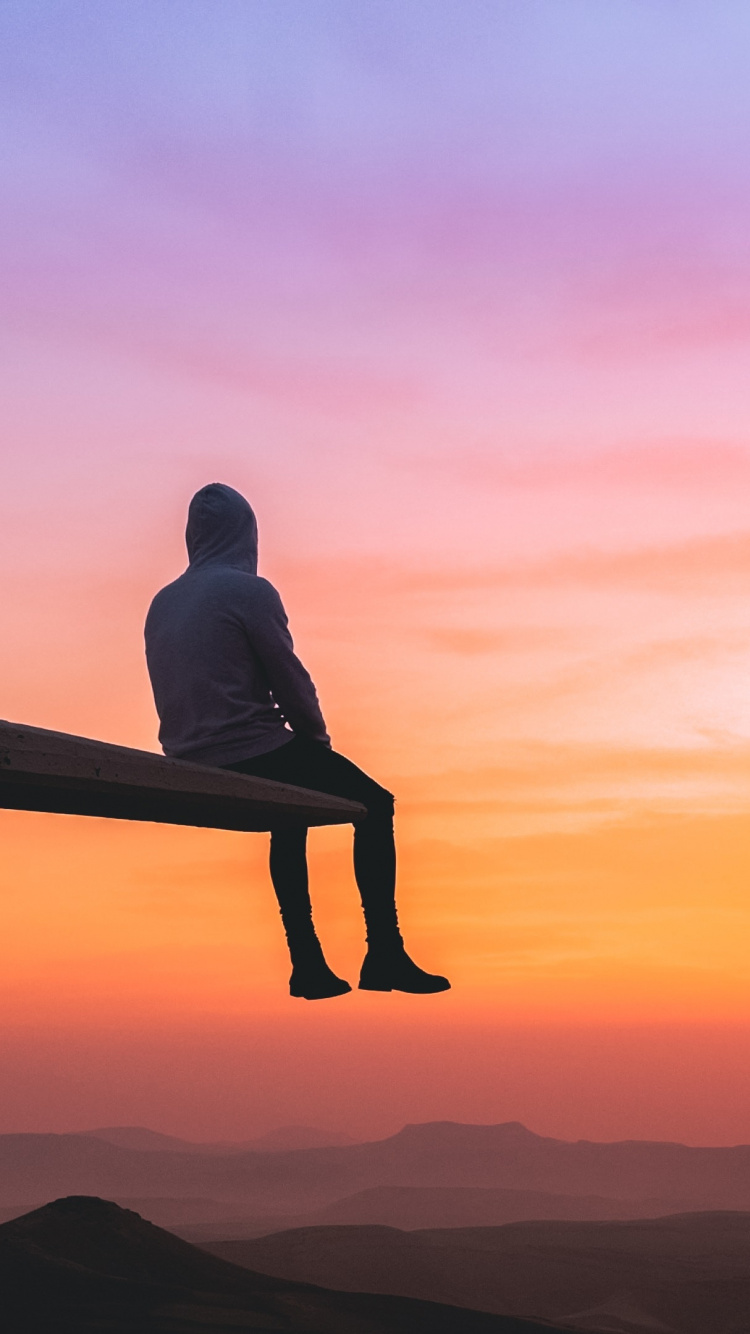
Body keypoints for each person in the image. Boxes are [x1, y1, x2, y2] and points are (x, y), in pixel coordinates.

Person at [144, 482, 450, 1001]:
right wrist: (315, 739)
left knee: (291, 812)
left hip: (185, 751)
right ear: (247, 534)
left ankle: (306, 962)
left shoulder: (163, 601)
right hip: (246, 748)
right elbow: (289, 678)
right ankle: (384, 952)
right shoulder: (249, 591)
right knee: (375, 804)